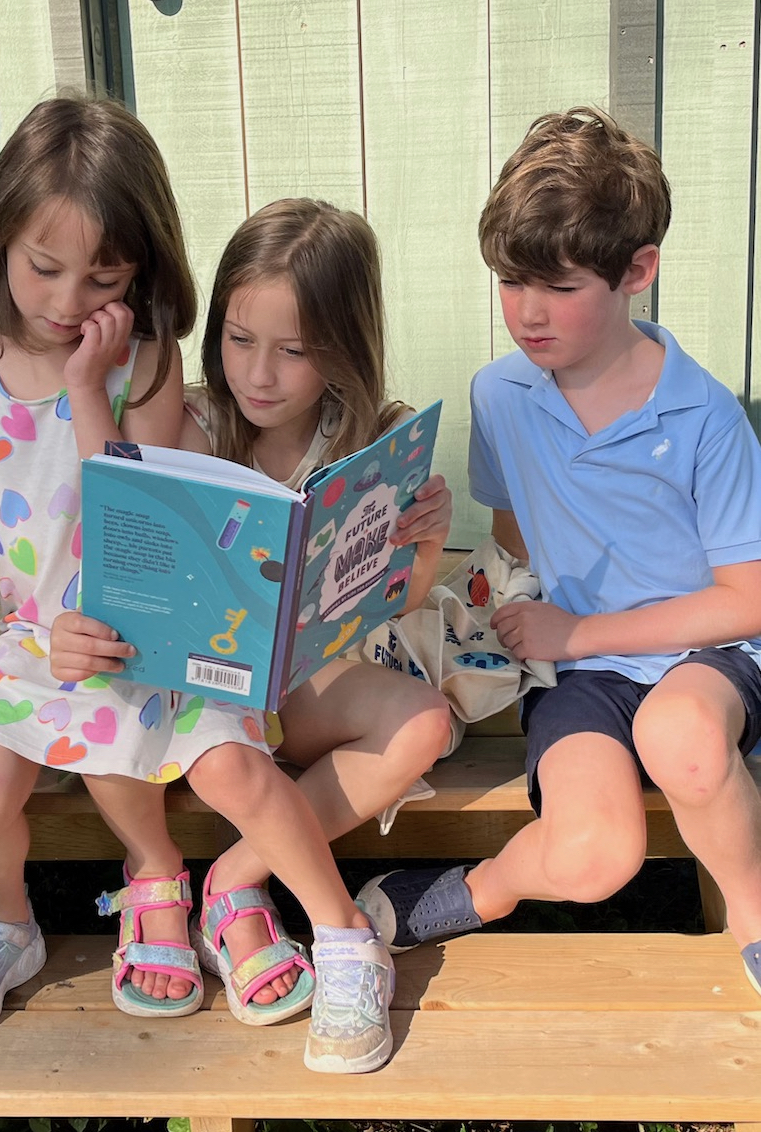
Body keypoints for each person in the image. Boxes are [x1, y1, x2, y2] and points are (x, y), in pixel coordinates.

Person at [358, 108, 761, 997]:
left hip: (711, 657)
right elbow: (512, 535)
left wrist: (576, 631)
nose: (528, 312)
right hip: (582, 676)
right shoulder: (500, 396)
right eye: (509, 281)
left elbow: (750, 598)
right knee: (590, 856)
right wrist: (485, 613)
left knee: (682, 739)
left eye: (561, 286)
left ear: (637, 272)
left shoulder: (705, 416)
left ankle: (754, 916)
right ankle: (478, 891)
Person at [50, 198, 454, 1072]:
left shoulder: (376, 439)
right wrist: (88, 390)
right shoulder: (196, 422)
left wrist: (420, 544)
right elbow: (118, 505)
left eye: (295, 350)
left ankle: (237, 876)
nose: (259, 374)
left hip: (312, 684)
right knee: (211, 751)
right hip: (204, 690)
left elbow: (399, 600)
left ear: (342, 346)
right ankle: (271, 909)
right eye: (239, 340)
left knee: (427, 723)